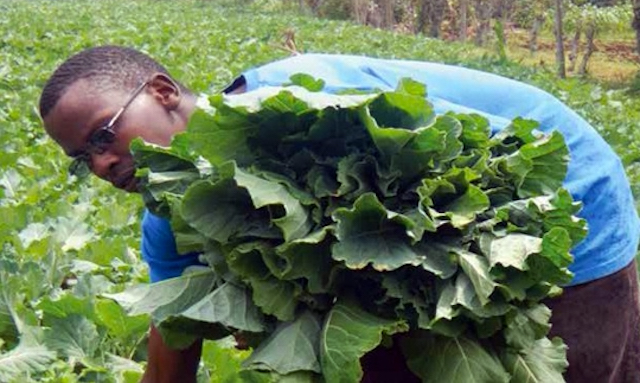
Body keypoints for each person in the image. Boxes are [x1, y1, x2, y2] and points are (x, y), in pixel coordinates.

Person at [39, 46, 640, 383]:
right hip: (414, 271)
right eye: (81, 159)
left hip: (558, 198)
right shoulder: (170, 216)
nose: (100, 165)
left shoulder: (303, 106)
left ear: (163, 92)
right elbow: (173, 341)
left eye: (102, 136)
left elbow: (495, 164)